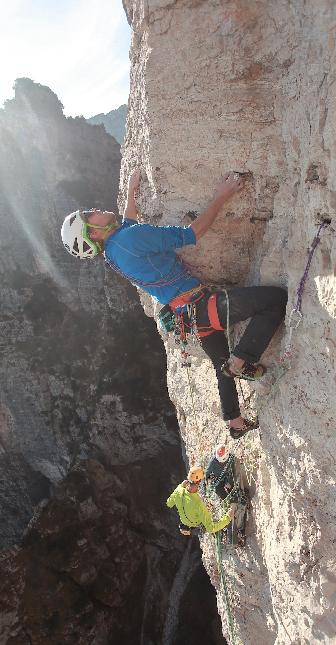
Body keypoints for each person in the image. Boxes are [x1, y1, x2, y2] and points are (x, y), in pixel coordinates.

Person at [61, 169, 288, 439]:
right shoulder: (129, 240)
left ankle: (235, 423)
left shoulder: (114, 252)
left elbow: (127, 223)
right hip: (203, 306)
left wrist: (133, 191)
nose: (94, 210)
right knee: (276, 300)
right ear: (94, 233)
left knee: (220, 367)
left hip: (187, 317)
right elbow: (193, 233)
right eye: (89, 216)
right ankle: (242, 361)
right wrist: (222, 195)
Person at [166, 465, 233, 536]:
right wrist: (228, 517)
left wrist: (180, 486)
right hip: (197, 524)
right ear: (199, 481)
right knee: (215, 515)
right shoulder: (198, 504)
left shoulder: (178, 490)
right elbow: (211, 528)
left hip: (185, 522)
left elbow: (169, 503)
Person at [205, 444, 248, 546]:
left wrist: (229, 482)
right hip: (219, 480)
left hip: (228, 479)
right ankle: (228, 500)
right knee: (217, 488)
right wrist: (207, 482)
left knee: (232, 489)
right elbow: (207, 474)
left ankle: (232, 499)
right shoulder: (214, 462)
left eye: (221, 460)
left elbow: (234, 472)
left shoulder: (231, 459)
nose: (220, 462)